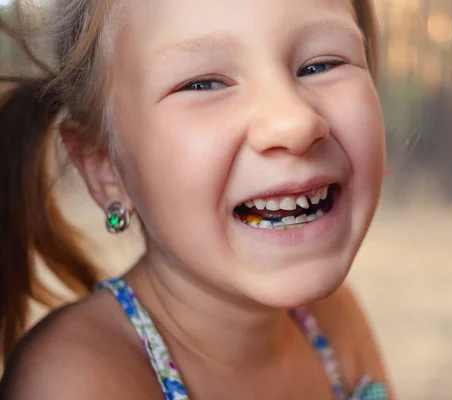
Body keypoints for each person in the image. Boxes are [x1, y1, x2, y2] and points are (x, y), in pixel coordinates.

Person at [0, 0, 393, 398]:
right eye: (203, 84)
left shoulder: (336, 322)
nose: (294, 123)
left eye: (321, 65)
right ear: (106, 168)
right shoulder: (76, 381)